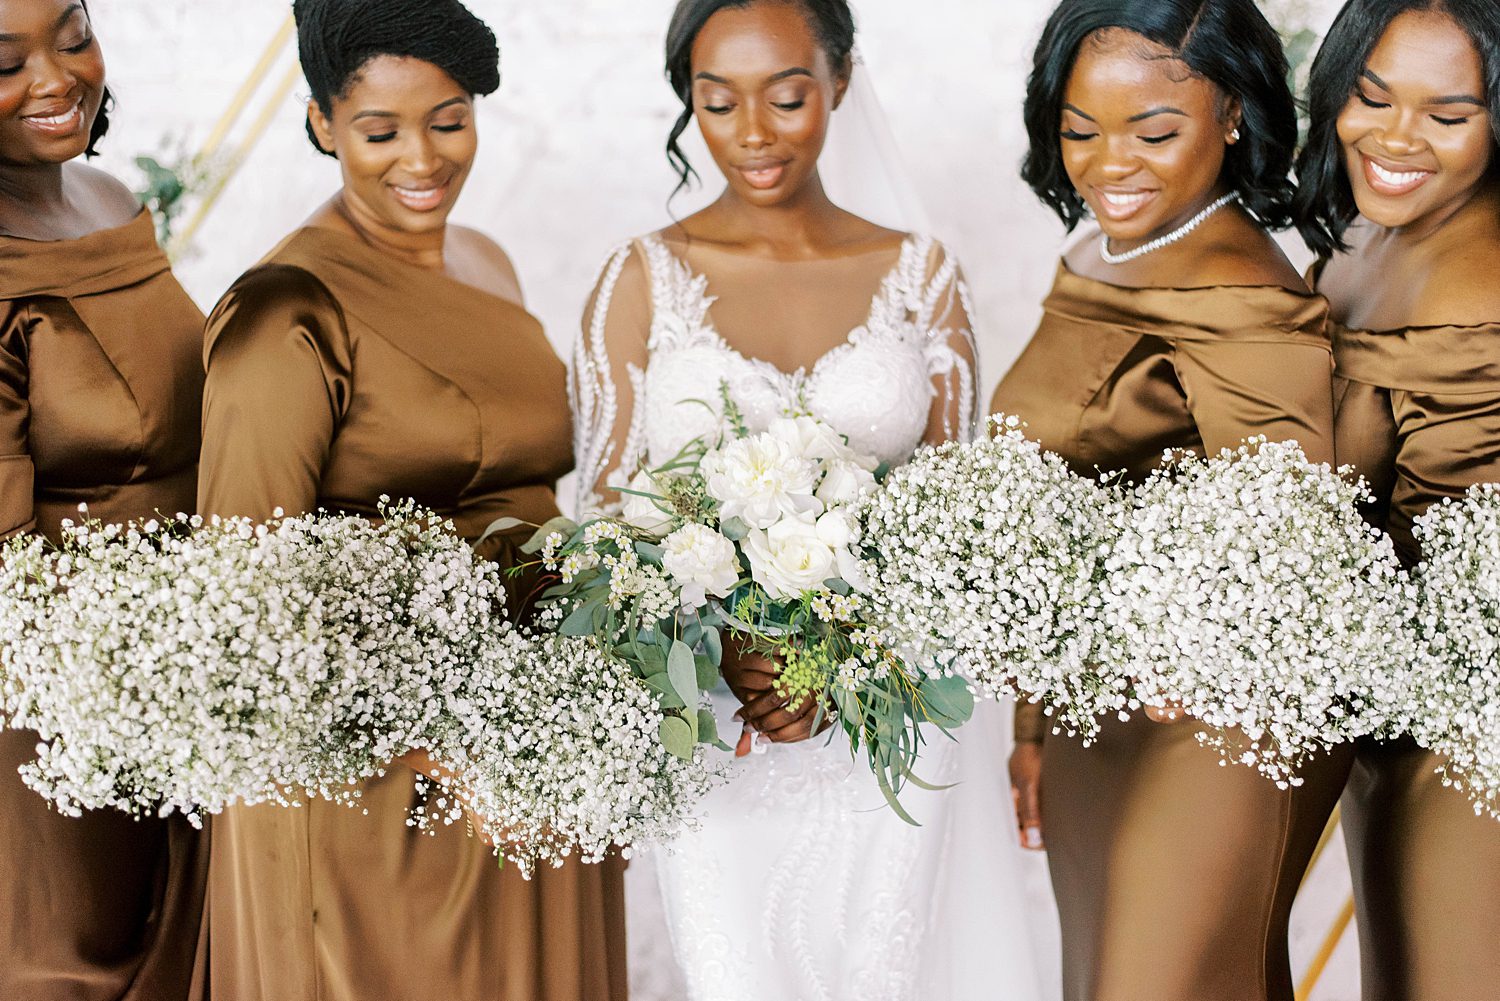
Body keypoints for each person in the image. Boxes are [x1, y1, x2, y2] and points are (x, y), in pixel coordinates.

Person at [571, 1, 1047, 998]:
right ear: (687, 104)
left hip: (890, 725)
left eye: (787, 96)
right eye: (717, 100)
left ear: (839, 79)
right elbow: (608, 520)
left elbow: (954, 522)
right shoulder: (640, 277)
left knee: (889, 965)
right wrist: (717, 649)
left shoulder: (922, 276)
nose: (753, 131)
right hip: (714, 730)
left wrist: (843, 660)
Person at [195, 1, 626, 997]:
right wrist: (428, 745)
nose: (422, 159)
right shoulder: (283, 314)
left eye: (448, 119)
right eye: (379, 132)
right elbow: (244, 591)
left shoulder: (488, 262)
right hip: (388, 788)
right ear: (320, 124)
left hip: (534, 744)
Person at [990, 1, 1352, 998]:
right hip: (1092, 716)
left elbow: (1292, 538)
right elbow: (1052, 502)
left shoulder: (1246, 296)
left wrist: (1196, 647)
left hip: (1208, 718)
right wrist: (1032, 725)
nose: (1111, 166)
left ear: (1232, 112)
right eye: (1079, 130)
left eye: (1154, 131)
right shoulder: (1099, 254)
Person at [0, 1, 206, 997]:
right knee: (82, 967)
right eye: (6, 60)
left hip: (189, 670)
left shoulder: (111, 195)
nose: (55, 78)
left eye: (72, 36)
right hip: (57, 716)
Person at [1295, 2, 1500, 996]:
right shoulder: (1356, 243)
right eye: (1371, 97)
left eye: (1446, 114)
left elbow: (1464, 575)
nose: (1394, 137)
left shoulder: (1480, 290)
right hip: (1386, 728)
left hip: (1463, 749)